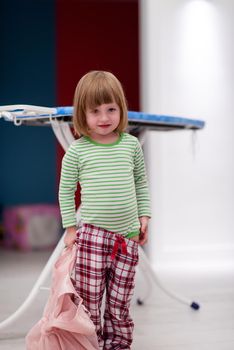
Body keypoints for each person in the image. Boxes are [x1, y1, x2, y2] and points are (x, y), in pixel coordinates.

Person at [59, 70, 151, 349]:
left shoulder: (131, 145)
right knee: (89, 298)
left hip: (128, 238)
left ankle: (119, 344)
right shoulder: (78, 151)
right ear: (82, 115)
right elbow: (66, 191)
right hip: (92, 237)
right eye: (95, 111)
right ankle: (90, 343)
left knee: (120, 301)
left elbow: (140, 183)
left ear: (121, 109)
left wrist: (144, 217)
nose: (104, 118)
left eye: (111, 109)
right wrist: (71, 228)